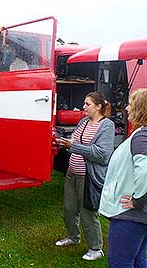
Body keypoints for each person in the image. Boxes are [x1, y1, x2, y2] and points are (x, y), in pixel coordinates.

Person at [55, 91, 115, 261]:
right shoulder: (83, 122)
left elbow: (102, 155)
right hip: (72, 173)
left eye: (87, 104)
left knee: (88, 213)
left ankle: (96, 248)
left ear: (98, 106)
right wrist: (64, 142)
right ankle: (73, 237)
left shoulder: (107, 126)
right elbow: (75, 142)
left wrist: (74, 146)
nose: (83, 107)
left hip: (88, 177)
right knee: (69, 209)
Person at [99, 89, 147, 268]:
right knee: (137, 258)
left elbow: (145, 171)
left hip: (132, 216)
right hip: (140, 217)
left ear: (141, 109)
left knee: (120, 261)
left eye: (131, 105)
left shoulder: (142, 136)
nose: (126, 108)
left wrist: (138, 201)